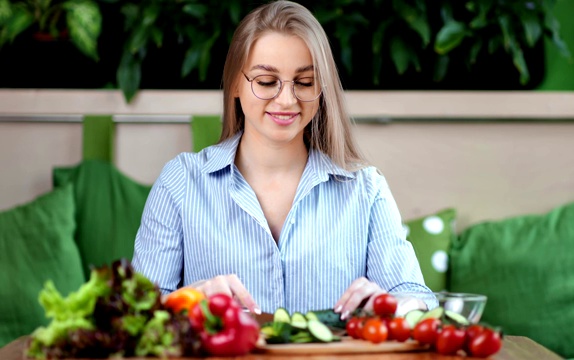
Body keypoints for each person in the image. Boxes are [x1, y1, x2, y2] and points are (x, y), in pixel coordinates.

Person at [132, 0, 435, 319]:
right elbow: (135, 312)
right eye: (266, 82)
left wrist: (395, 304)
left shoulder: (366, 188)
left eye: (305, 83)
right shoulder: (181, 181)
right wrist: (191, 298)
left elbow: (415, 294)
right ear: (236, 82)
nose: (287, 100)